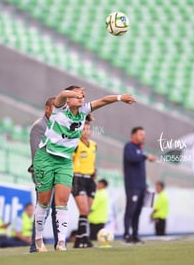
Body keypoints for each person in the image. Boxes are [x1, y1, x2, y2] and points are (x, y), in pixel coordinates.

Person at [33, 85, 135, 252]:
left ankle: (61, 243)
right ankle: (38, 239)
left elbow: (103, 100)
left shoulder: (83, 111)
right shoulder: (59, 109)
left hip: (65, 161)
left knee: (62, 201)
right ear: (69, 99)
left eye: (82, 96)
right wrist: (73, 93)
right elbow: (61, 94)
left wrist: (120, 97)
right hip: (46, 157)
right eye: (77, 96)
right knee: (44, 201)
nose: (81, 98)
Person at [28, 96, 58, 253]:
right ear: (47, 108)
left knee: (58, 210)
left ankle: (59, 245)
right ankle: (35, 246)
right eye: (56, 107)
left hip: (57, 171)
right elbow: (38, 153)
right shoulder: (39, 126)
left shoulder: (58, 125)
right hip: (44, 172)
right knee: (43, 210)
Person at [123, 126, 156, 244]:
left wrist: (145, 185)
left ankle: (135, 235)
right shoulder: (129, 147)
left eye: (144, 135)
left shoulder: (140, 149)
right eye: (141, 134)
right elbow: (131, 158)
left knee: (137, 211)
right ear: (134, 135)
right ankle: (127, 235)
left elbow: (140, 170)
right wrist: (145, 156)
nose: (143, 137)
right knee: (130, 210)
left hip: (141, 186)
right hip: (132, 185)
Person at [71, 116, 97, 248]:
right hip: (78, 178)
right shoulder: (75, 144)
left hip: (90, 179)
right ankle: (83, 238)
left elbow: (92, 162)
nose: (86, 131)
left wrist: (94, 171)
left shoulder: (93, 145)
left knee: (86, 211)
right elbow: (69, 161)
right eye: (83, 129)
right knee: (83, 209)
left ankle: (79, 240)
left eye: (88, 129)